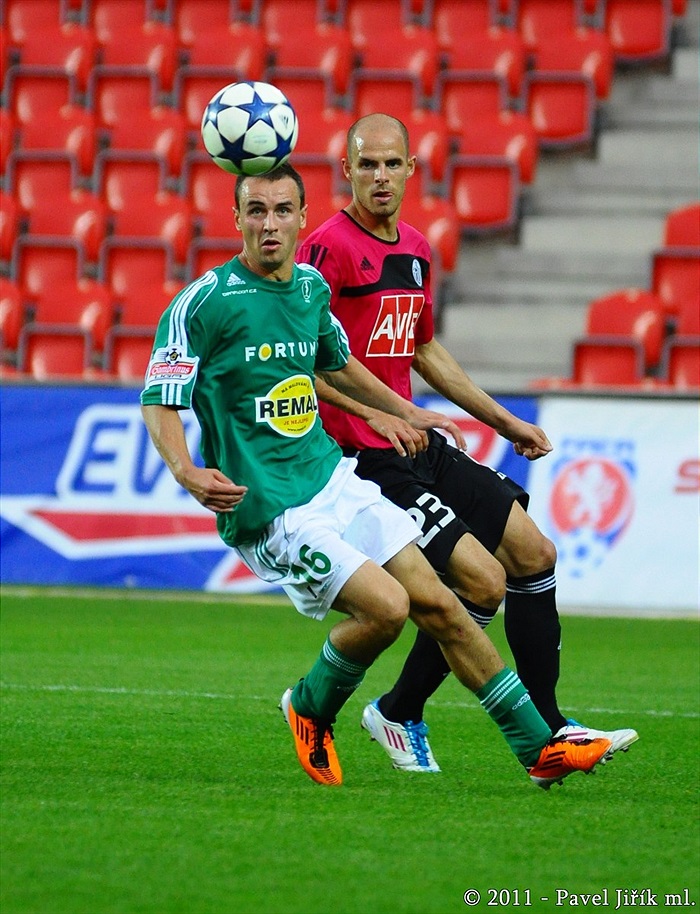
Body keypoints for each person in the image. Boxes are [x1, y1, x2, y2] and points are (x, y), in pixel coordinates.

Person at [140, 163, 614, 790]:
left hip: (333, 480)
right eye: (256, 210)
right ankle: (310, 706)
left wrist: (405, 409)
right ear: (236, 220)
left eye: (283, 210)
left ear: (301, 217)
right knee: (389, 610)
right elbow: (160, 395)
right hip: (273, 509)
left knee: (446, 603)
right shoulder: (205, 302)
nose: (270, 223)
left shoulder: (309, 290)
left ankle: (538, 749)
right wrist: (185, 470)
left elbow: (339, 365)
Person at [296, 114, 638, 774]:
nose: (380, 177)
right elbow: (305, 358)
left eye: (392, 164)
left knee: (533, 552)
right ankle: (429, 716)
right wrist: (382, 414)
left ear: (411, 170)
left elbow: (423, 350)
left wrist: (502, 420)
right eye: (367, 165)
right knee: (481, 580)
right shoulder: (326, 251)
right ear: (346, 171)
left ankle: (544, 721)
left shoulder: (418, 250)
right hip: (360, 456)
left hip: (414, 440)